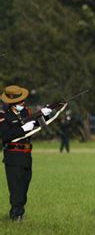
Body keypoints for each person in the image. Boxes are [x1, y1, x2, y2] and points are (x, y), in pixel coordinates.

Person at [0, 85, 51, 221]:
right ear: (13, 102)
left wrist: (45, 115)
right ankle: (17, 215)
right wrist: (22, 129)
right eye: (20, 101)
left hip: (26, 155)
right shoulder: (4, 116)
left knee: (24, 186)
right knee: (16, 188)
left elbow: (36, 125)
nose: (23, 103)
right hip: (13, 156)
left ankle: (18, 212)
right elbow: (5, 135)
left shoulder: (25, 113)